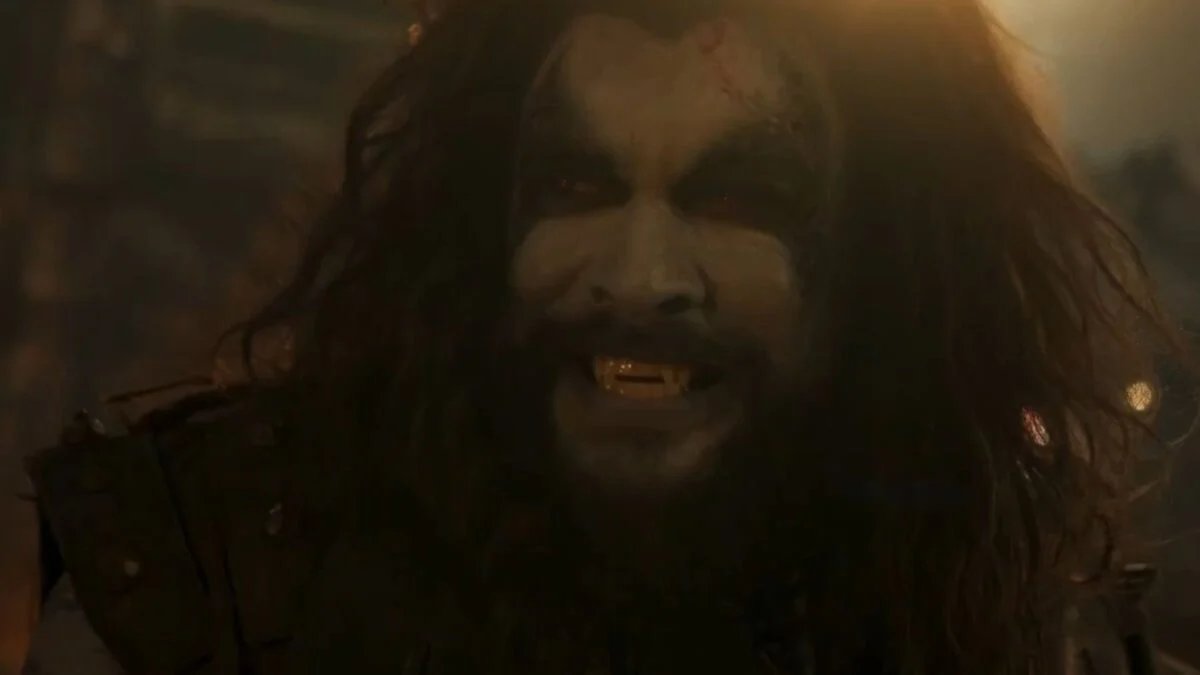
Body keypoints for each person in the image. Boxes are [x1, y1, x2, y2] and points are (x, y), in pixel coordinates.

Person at [21, 0, 1191, 672]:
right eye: (577, 183)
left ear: (887, 259)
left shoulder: (1022, 639)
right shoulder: (209, 590)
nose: (638, 277)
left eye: (740, 196)